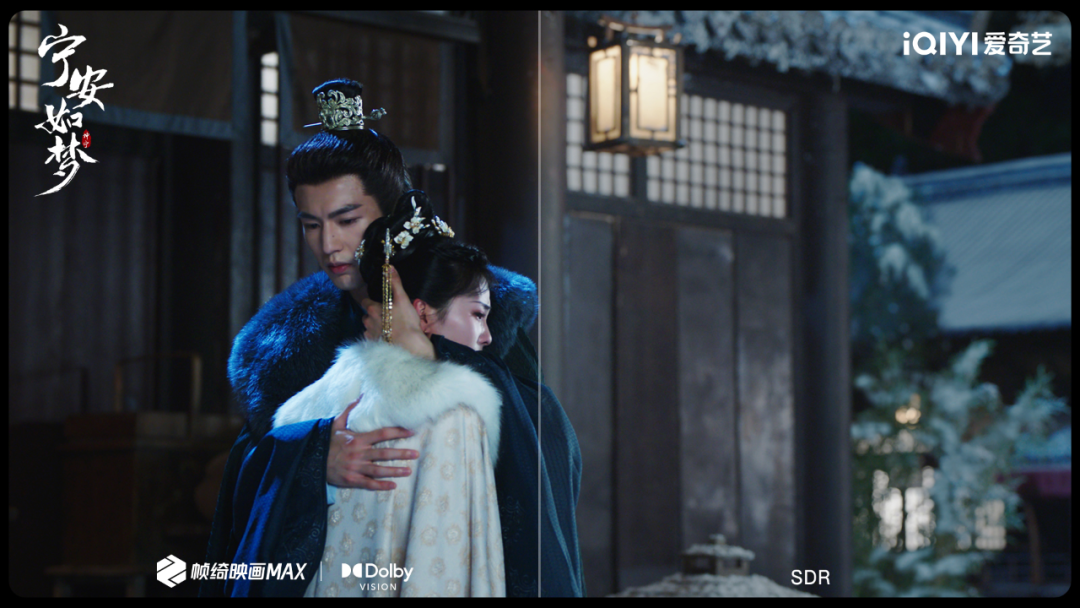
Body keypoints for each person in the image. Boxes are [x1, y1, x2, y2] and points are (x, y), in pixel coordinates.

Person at [201, 78, 582, 597]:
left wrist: (432, 354)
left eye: (347, 219)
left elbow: (551, 442)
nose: (329, 244)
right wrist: (313, 457)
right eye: (311, 224)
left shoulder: (474, 308)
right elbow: (244, 475)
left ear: (392, 214)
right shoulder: (284, 342)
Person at [273, 194, 506, 596]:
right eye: (477, 314)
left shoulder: (322, 405)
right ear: (423, 313)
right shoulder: (454, 415)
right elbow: (442, 569)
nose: (486, 336)